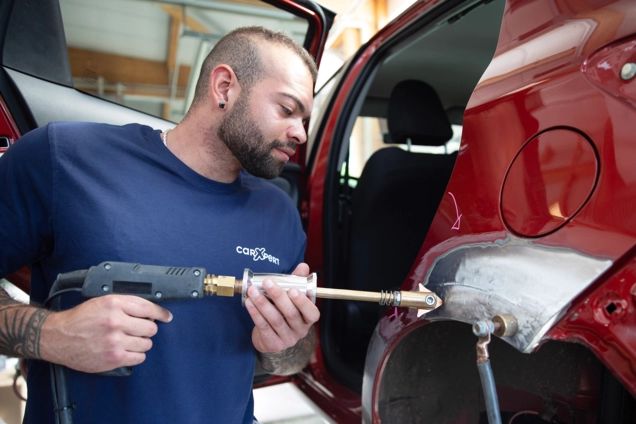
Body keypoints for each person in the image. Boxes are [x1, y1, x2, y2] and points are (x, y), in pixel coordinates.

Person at [0, 26, 320, 423]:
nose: (300, 133)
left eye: (304, 119)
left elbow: (294, 357)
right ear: (224, 88)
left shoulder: (279, 214)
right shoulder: (64, 157)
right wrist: (52, 335)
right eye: (287, 110)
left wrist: (283, 344)